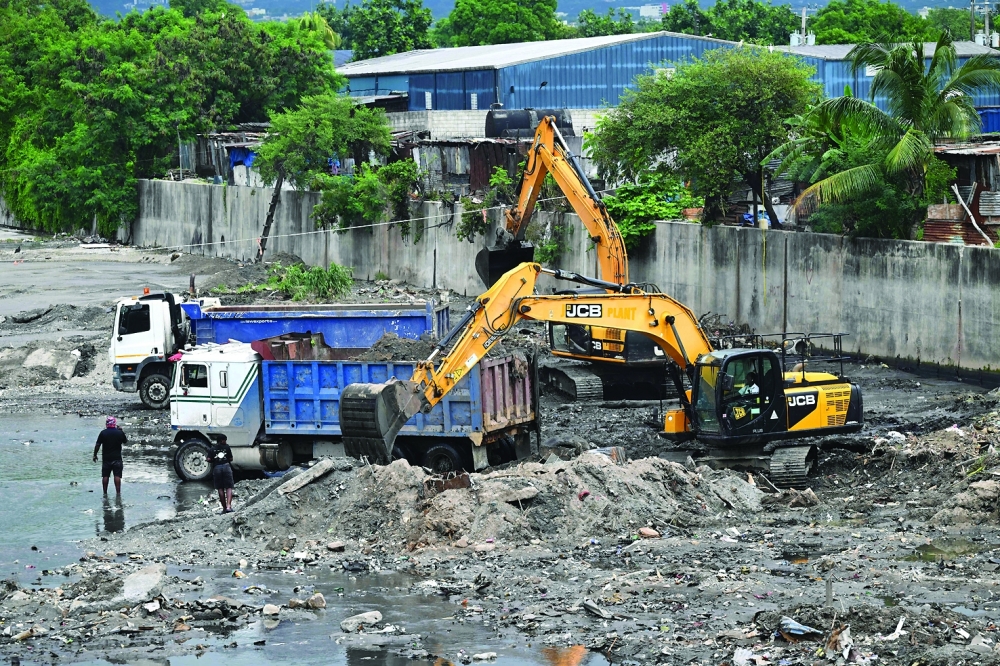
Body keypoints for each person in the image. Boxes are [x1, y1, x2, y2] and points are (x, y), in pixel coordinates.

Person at [93, 416, 126, 495]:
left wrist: (95, 455)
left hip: (106, 458)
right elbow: (125, 441)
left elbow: (97, 445)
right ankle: (118, 493)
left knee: (105, 476)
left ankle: (105, 493)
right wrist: (121, 431)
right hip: (117, 458)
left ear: (106, 424)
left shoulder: (103, 433)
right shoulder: (119, 432)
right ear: (114, 423)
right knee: (117, 475)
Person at [208, 434, 235, 514]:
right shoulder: (227, 447)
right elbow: (231, 458)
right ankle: (229, 507)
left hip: (217, 468)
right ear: (221, 440)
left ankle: (224, 508)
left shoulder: (212, 448)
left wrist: (213, 459)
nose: (225, 442)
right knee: (229, 487)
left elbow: (208, 459)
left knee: (220, 488)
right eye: (224, 440)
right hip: (226, 467)